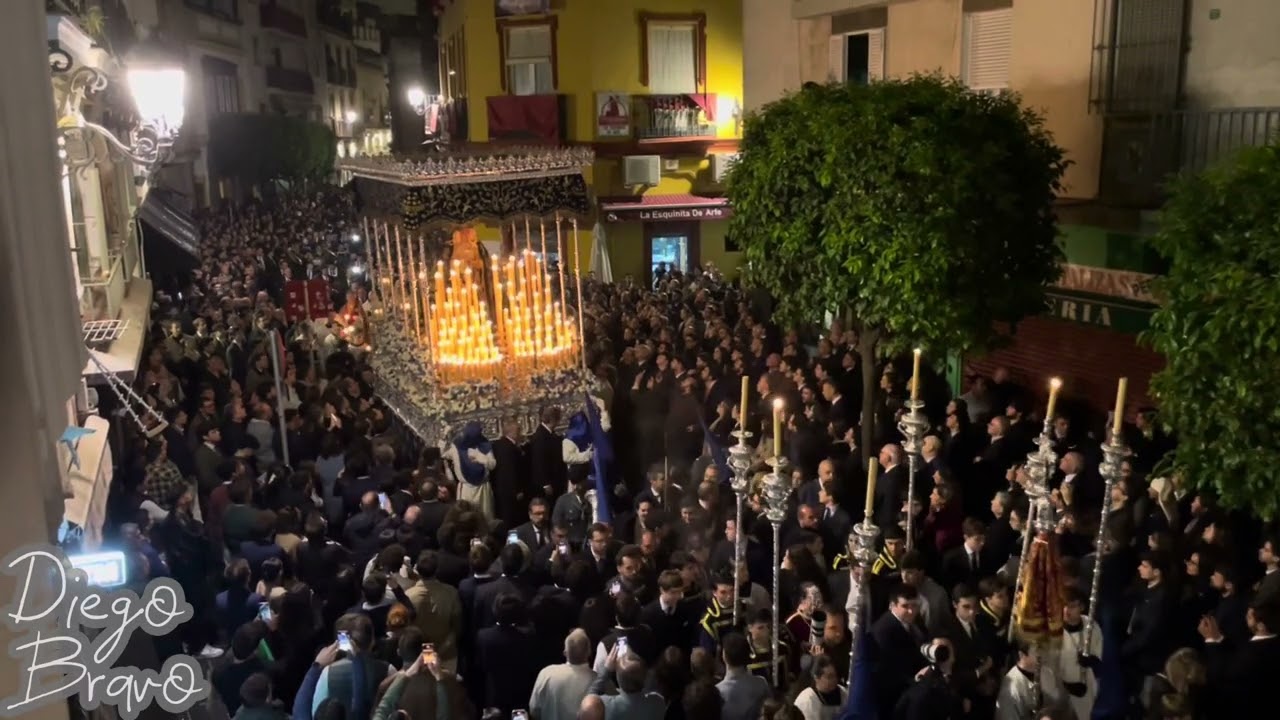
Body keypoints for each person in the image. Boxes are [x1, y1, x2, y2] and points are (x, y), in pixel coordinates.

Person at [529, 628, 595, 720]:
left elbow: (534, 710)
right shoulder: (601, 681)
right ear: (589, 652)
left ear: (565, 652)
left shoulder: (546, 673)